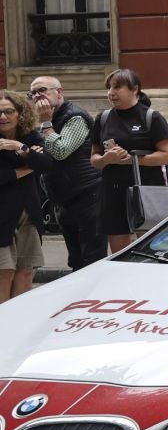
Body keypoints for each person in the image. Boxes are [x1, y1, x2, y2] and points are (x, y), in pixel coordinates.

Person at [89, 68, 168, 254]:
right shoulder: (103, 118)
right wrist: (107, 159)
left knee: (149, 251)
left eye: (118, 87)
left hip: (146, 189)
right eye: (109, 88)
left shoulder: (151, 117)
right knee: (120, 255)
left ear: (135, 89)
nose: (111, 93)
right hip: (113, 191)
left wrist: (132, 160)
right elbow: (94, 159)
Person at [26, 75, 108, 270]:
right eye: (33, 93)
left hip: (87, 194)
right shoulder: (43, 119)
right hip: (63, 198)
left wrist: (46, 124)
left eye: (43, 90)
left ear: (59, 92)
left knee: (92, 257)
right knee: (76, 259)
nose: (38, 96)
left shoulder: (75, 116)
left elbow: (60, 151)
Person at [0, 89, 54, 298]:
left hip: (28, 213)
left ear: (20, 114)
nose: (3, 117)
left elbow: (46, 164)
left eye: (8, 111)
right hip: (2, 215)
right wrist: (26, 167)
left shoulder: (30, 136)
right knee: (4, 272)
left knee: (25, 271)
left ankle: (18, 323)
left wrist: (18, 146)